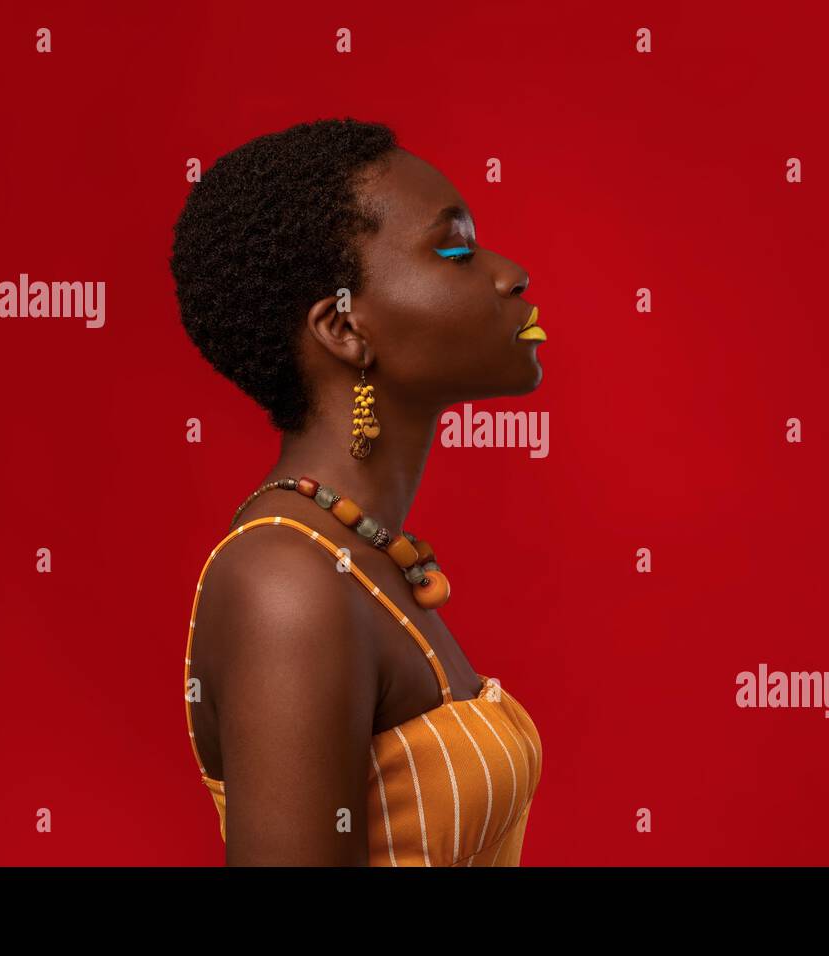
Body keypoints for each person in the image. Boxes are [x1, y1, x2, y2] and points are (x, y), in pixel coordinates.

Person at [169, 117, 546, 865]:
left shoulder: (358, 554)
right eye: (456, 250)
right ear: (344, 327)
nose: (510, 274)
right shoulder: (288, 582)